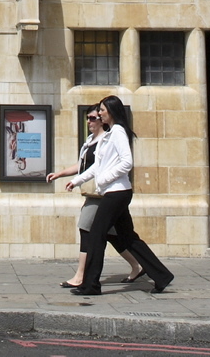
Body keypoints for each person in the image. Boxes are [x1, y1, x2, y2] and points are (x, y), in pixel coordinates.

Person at [64, 95, 174, 296]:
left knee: (97, 234)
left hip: (117, 193)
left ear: (112, 112)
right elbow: (98, 166)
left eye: (103, 110)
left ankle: (91, 285)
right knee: (128, 238)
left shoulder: (118, 132)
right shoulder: (109, 134)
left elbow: (127, 162)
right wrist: (77, 180)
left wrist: (105, 179)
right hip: (114, 192)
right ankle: (162, 275)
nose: (99, 114)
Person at [46, 102, 147, 289]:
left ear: (101, 119)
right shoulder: (89, 142)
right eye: (88, 118)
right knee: (116, 235)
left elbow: (120, 163)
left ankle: (82, 276)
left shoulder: (107, 138)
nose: (89, 121)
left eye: (93, 117)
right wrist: (63, 175)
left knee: (87, 230)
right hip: (96, 192)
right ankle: (139, 265)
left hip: (102, 194)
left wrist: (103, 179)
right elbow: (84, 167)